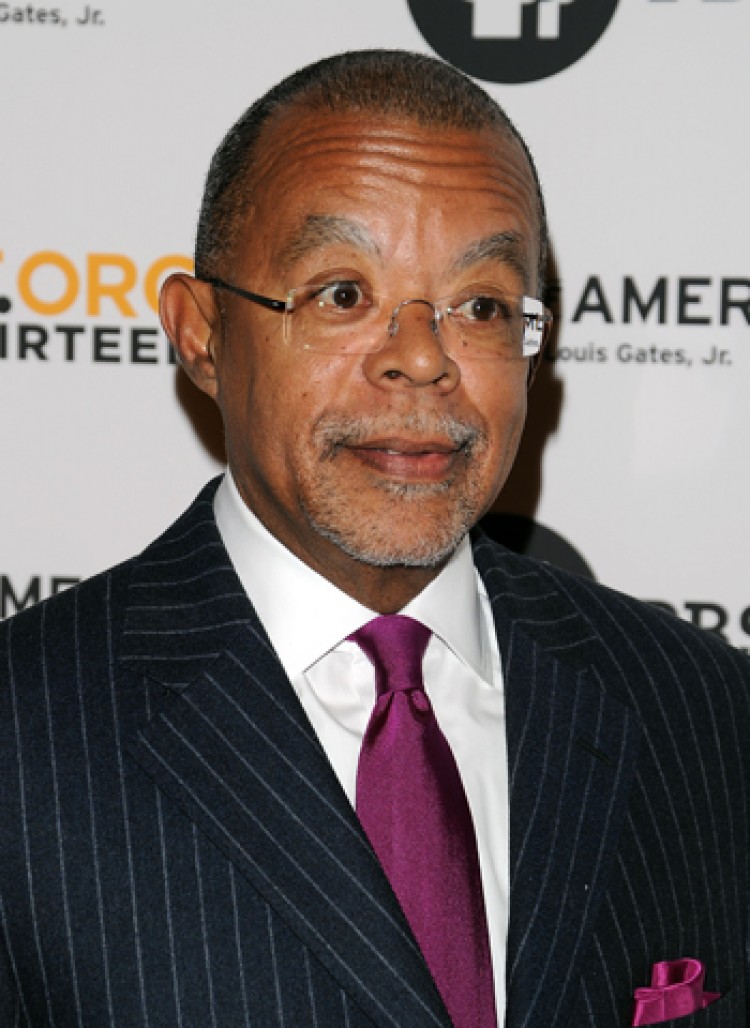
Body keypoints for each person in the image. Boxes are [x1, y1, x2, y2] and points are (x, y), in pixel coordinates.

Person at [0, 50, 747, 1028]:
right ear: (201, 333)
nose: (424, 358)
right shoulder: (24, 736)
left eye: (480, 305)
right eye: (341, 294)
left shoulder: (706, 711)